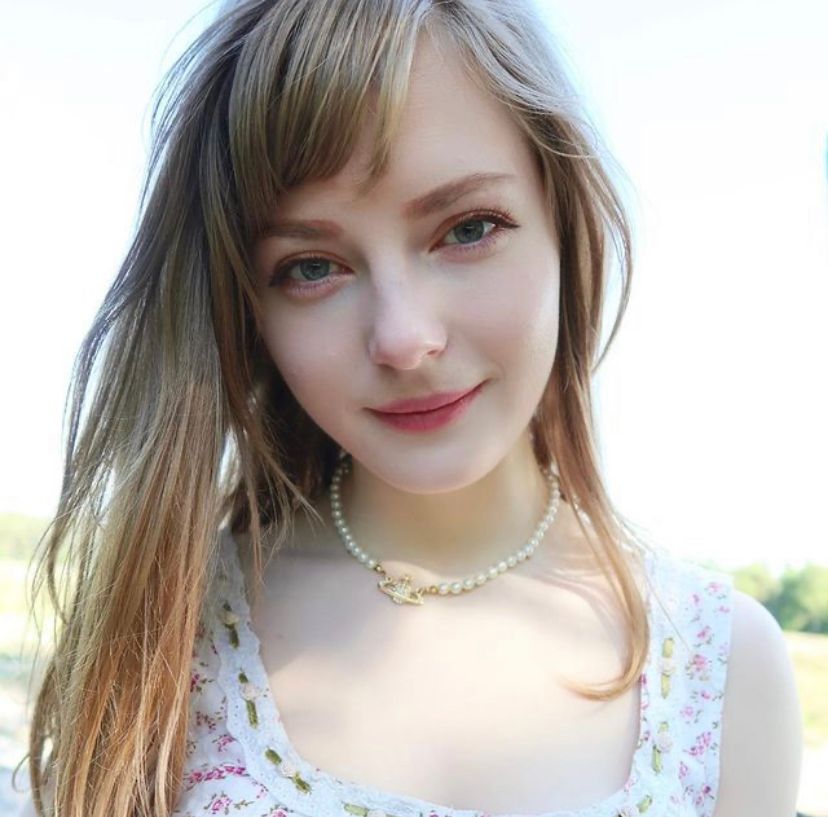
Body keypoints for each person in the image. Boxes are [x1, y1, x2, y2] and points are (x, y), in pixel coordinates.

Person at [19, 1, 803, 816]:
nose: (403, 337)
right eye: (311, 267)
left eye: (468, 228)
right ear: (248, 309)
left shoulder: (721, 670)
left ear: (564, 223)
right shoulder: (162, 633)